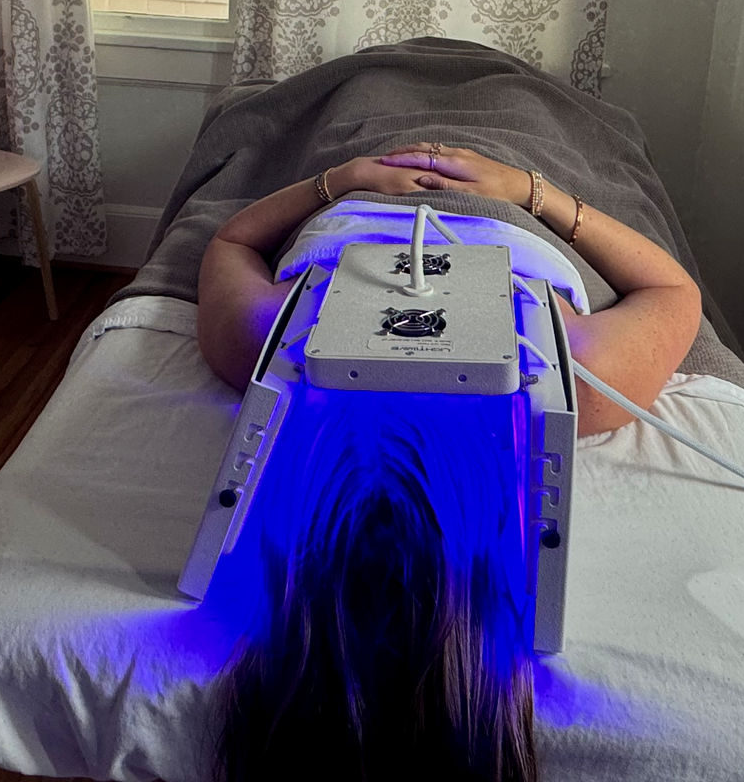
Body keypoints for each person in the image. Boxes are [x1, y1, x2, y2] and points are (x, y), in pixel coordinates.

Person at [198, 143, 703, 782]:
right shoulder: (569, 376)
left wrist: (340, 178)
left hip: (359, 156)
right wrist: (530, 192)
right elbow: (672, 289)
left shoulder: (273, 345)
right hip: (519, 161)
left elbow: (230, 242)